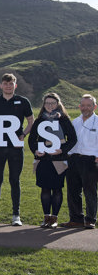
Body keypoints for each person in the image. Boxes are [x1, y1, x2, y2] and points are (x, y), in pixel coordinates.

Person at [0, 73, 34, 226]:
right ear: (1, 85)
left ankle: (16, 215)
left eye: (11, 83)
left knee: (15, 180)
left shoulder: (23, 101)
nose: (8, 86)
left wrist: (24, 134)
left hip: (15, 148)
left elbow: (31, 121)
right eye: (5, 83)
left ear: (15, 85)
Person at [28, 93, 77, 228]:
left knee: (57, 189)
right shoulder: (39, 121)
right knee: (45, 189)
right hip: (43, 160)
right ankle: (46, 218)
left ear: (58, 104)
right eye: (47, 103)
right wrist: (35, 151)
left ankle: (54, 218)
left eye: (53, 103)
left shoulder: (64, 120)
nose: (50, 106)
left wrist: (62, 150)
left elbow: (73, 139)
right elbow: (32, 140)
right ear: (44, 105)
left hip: (59, 160)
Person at [61, 94, 98, 229]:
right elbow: (69, 141)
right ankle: (76, 219)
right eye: (83, 105)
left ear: (94, 106)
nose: (85, 108)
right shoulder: (75, 122)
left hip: (90, 160)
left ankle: (90, 219)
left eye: (89, 105)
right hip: (73, 159)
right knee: (73, 191)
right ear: (79, 106)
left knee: (90, 191)